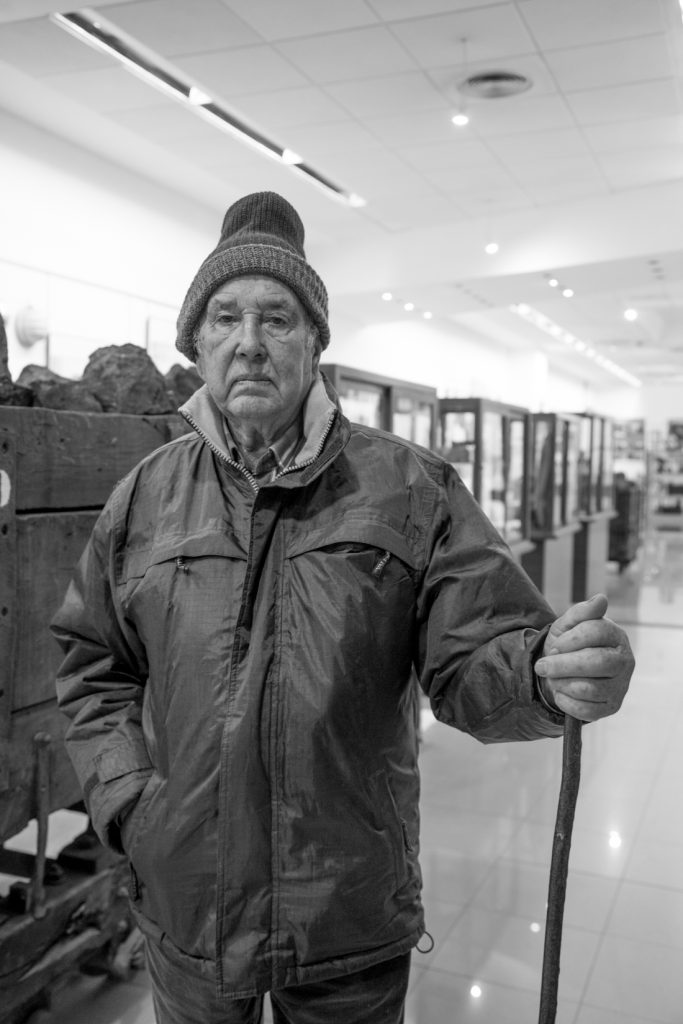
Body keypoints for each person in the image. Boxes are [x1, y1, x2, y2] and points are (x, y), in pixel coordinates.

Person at [52, 191, 634, 1024]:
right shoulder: (144, 496)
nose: (249, 343)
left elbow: (473, 660)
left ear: (316, 343)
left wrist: (543, 676)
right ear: (196, 342)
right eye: (224, 317)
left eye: (278, 318)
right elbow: (91, 663)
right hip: (185, 902)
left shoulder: (409, 488)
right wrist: (132, 805)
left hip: (344, 909)